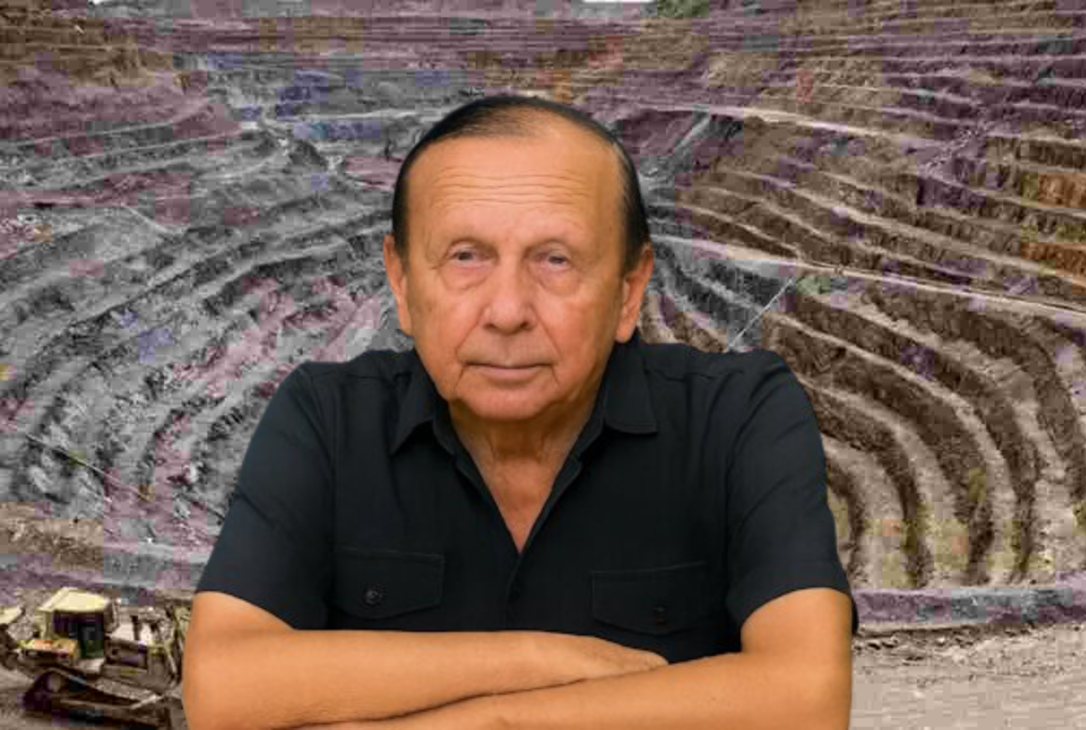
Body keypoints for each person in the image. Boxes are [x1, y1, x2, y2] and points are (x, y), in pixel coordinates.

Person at [182, 94, 859, 730]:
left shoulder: (737, 417)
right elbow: (222, 685)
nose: (507, 311)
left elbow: (806, 698)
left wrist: (491, 719)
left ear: (629, 290)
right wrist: (537, 661)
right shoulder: (327, 419)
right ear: (402, 282)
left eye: (556, 260)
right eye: (466, 257)